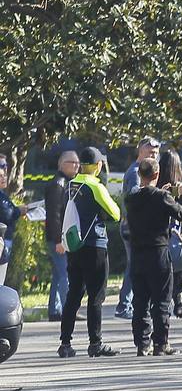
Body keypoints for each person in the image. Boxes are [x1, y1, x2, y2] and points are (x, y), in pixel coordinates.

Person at [123, 158, 182, 356]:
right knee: (161, 300)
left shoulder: (131, 198)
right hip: (158, 253)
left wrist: (165, 193)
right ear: (157, 174)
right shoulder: (161, 197)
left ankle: (142, 343)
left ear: (139, 175)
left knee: (140, 301)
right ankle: (161, 343)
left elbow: (148, 201)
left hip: (137, 254)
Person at [59, 147, 121, 358]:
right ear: (99, 165)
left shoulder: (71, 184)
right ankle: (95, 343)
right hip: (95, 245)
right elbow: (116, 213)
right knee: (96, 295)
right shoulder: (96, 186)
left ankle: (65, 343)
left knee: (74, 293)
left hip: (75, 246)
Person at [116, 136, 161, 319]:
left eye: (156, 153)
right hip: (131, 226)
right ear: (140, 151)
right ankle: (124, 306)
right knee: (134, 266)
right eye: (150, 152)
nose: (154, 156)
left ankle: (127, 304)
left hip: (134, 226)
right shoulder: (135, 172)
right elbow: (135, 198)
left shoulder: (140, 171)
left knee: (135, 265)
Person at [156, 151, 182, 319]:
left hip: (160, 237)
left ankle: (161, 305)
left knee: (161, 274)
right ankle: (178, 304)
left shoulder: (156, 187)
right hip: (176, 235)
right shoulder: (179, 188)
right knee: (178, 272)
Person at [44, 150, 80, 320]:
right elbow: (54, 215)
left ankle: (55, 310)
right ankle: (68, 309)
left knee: (59, 275)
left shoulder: (65, 182)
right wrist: (59, 240)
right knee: (65, 274)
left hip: (61, 237)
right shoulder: (58, 184)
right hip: (58, 238)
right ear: (62, 164)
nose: (77, 166)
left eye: (78, 163)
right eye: (73, 163)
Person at [0, 156, 19, 286]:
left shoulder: (3, 195)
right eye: (2, 166)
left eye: (5, 166)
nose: (4, 173)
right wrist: (18, 211)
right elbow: (7, 214)